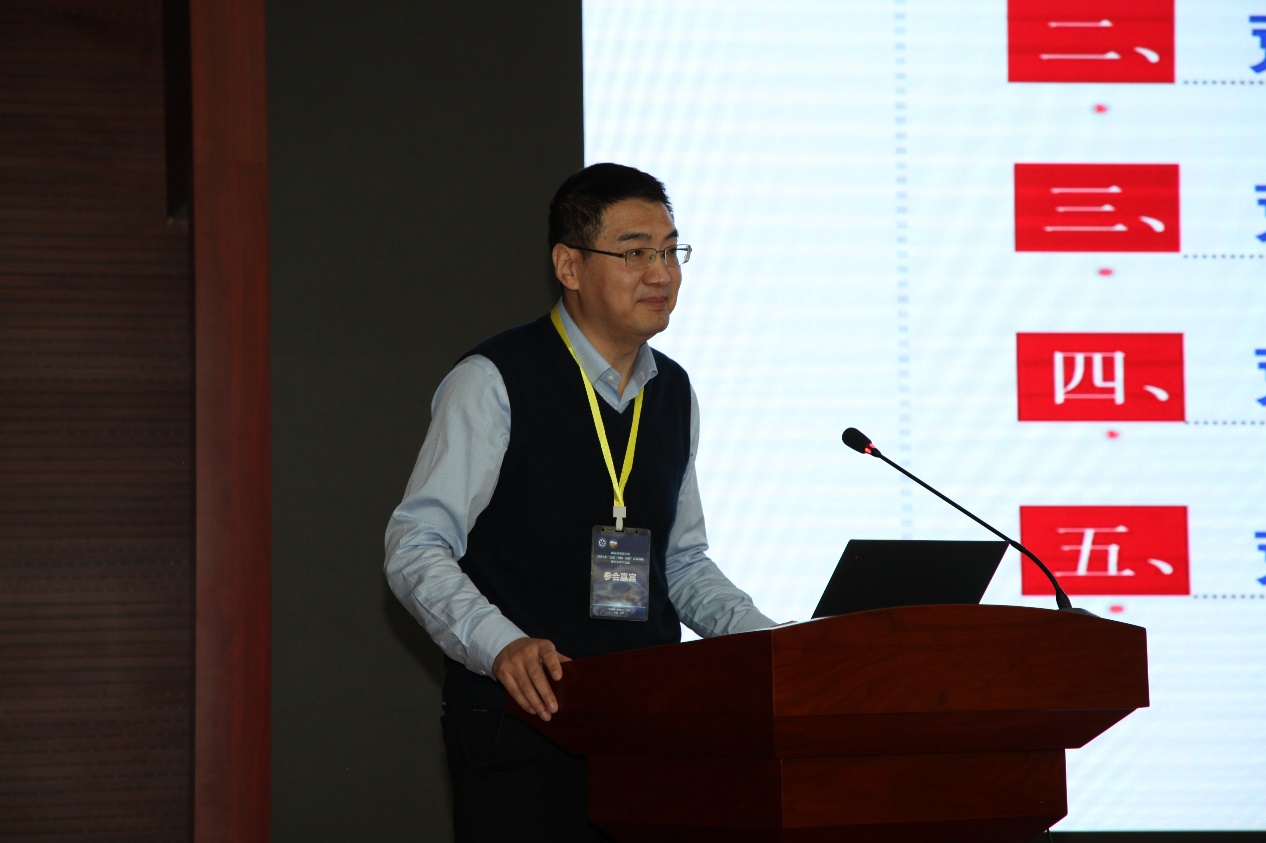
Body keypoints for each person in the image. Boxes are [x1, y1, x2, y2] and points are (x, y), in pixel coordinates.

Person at [384, 162, 775, 841]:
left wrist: (772, 646)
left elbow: (680, 564)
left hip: (645, 727)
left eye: (670, 251)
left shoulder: (673, 391)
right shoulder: (493, 381)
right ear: (569, 265)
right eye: (634, 253)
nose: (661, 273)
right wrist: (500, 645)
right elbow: (415, 545)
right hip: (523, 725)